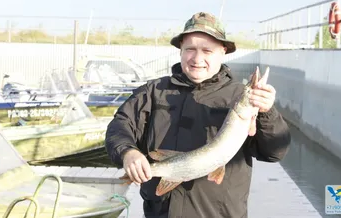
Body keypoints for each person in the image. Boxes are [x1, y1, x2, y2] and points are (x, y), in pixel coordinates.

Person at [105, 11, 291, 218]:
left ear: (223, 51)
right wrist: (127, 152)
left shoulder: (239, 95)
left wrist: (266, 113)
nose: (197, 58)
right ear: (180, 51)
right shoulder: (153, 91)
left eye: (207, 51)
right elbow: (120, 126)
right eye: (190, 49)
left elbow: (274, 152)